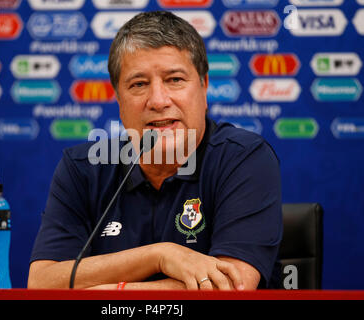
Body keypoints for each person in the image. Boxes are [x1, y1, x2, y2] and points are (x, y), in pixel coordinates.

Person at [28, 11, 282, 290]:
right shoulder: (82, 168)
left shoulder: (243, 157)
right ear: (119, 100)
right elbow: (42, 284)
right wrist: (160, 255)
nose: (158, 101)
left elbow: (230, 288)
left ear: (204, 87)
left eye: (174, 79)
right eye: (139, 84)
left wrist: (109, 293)